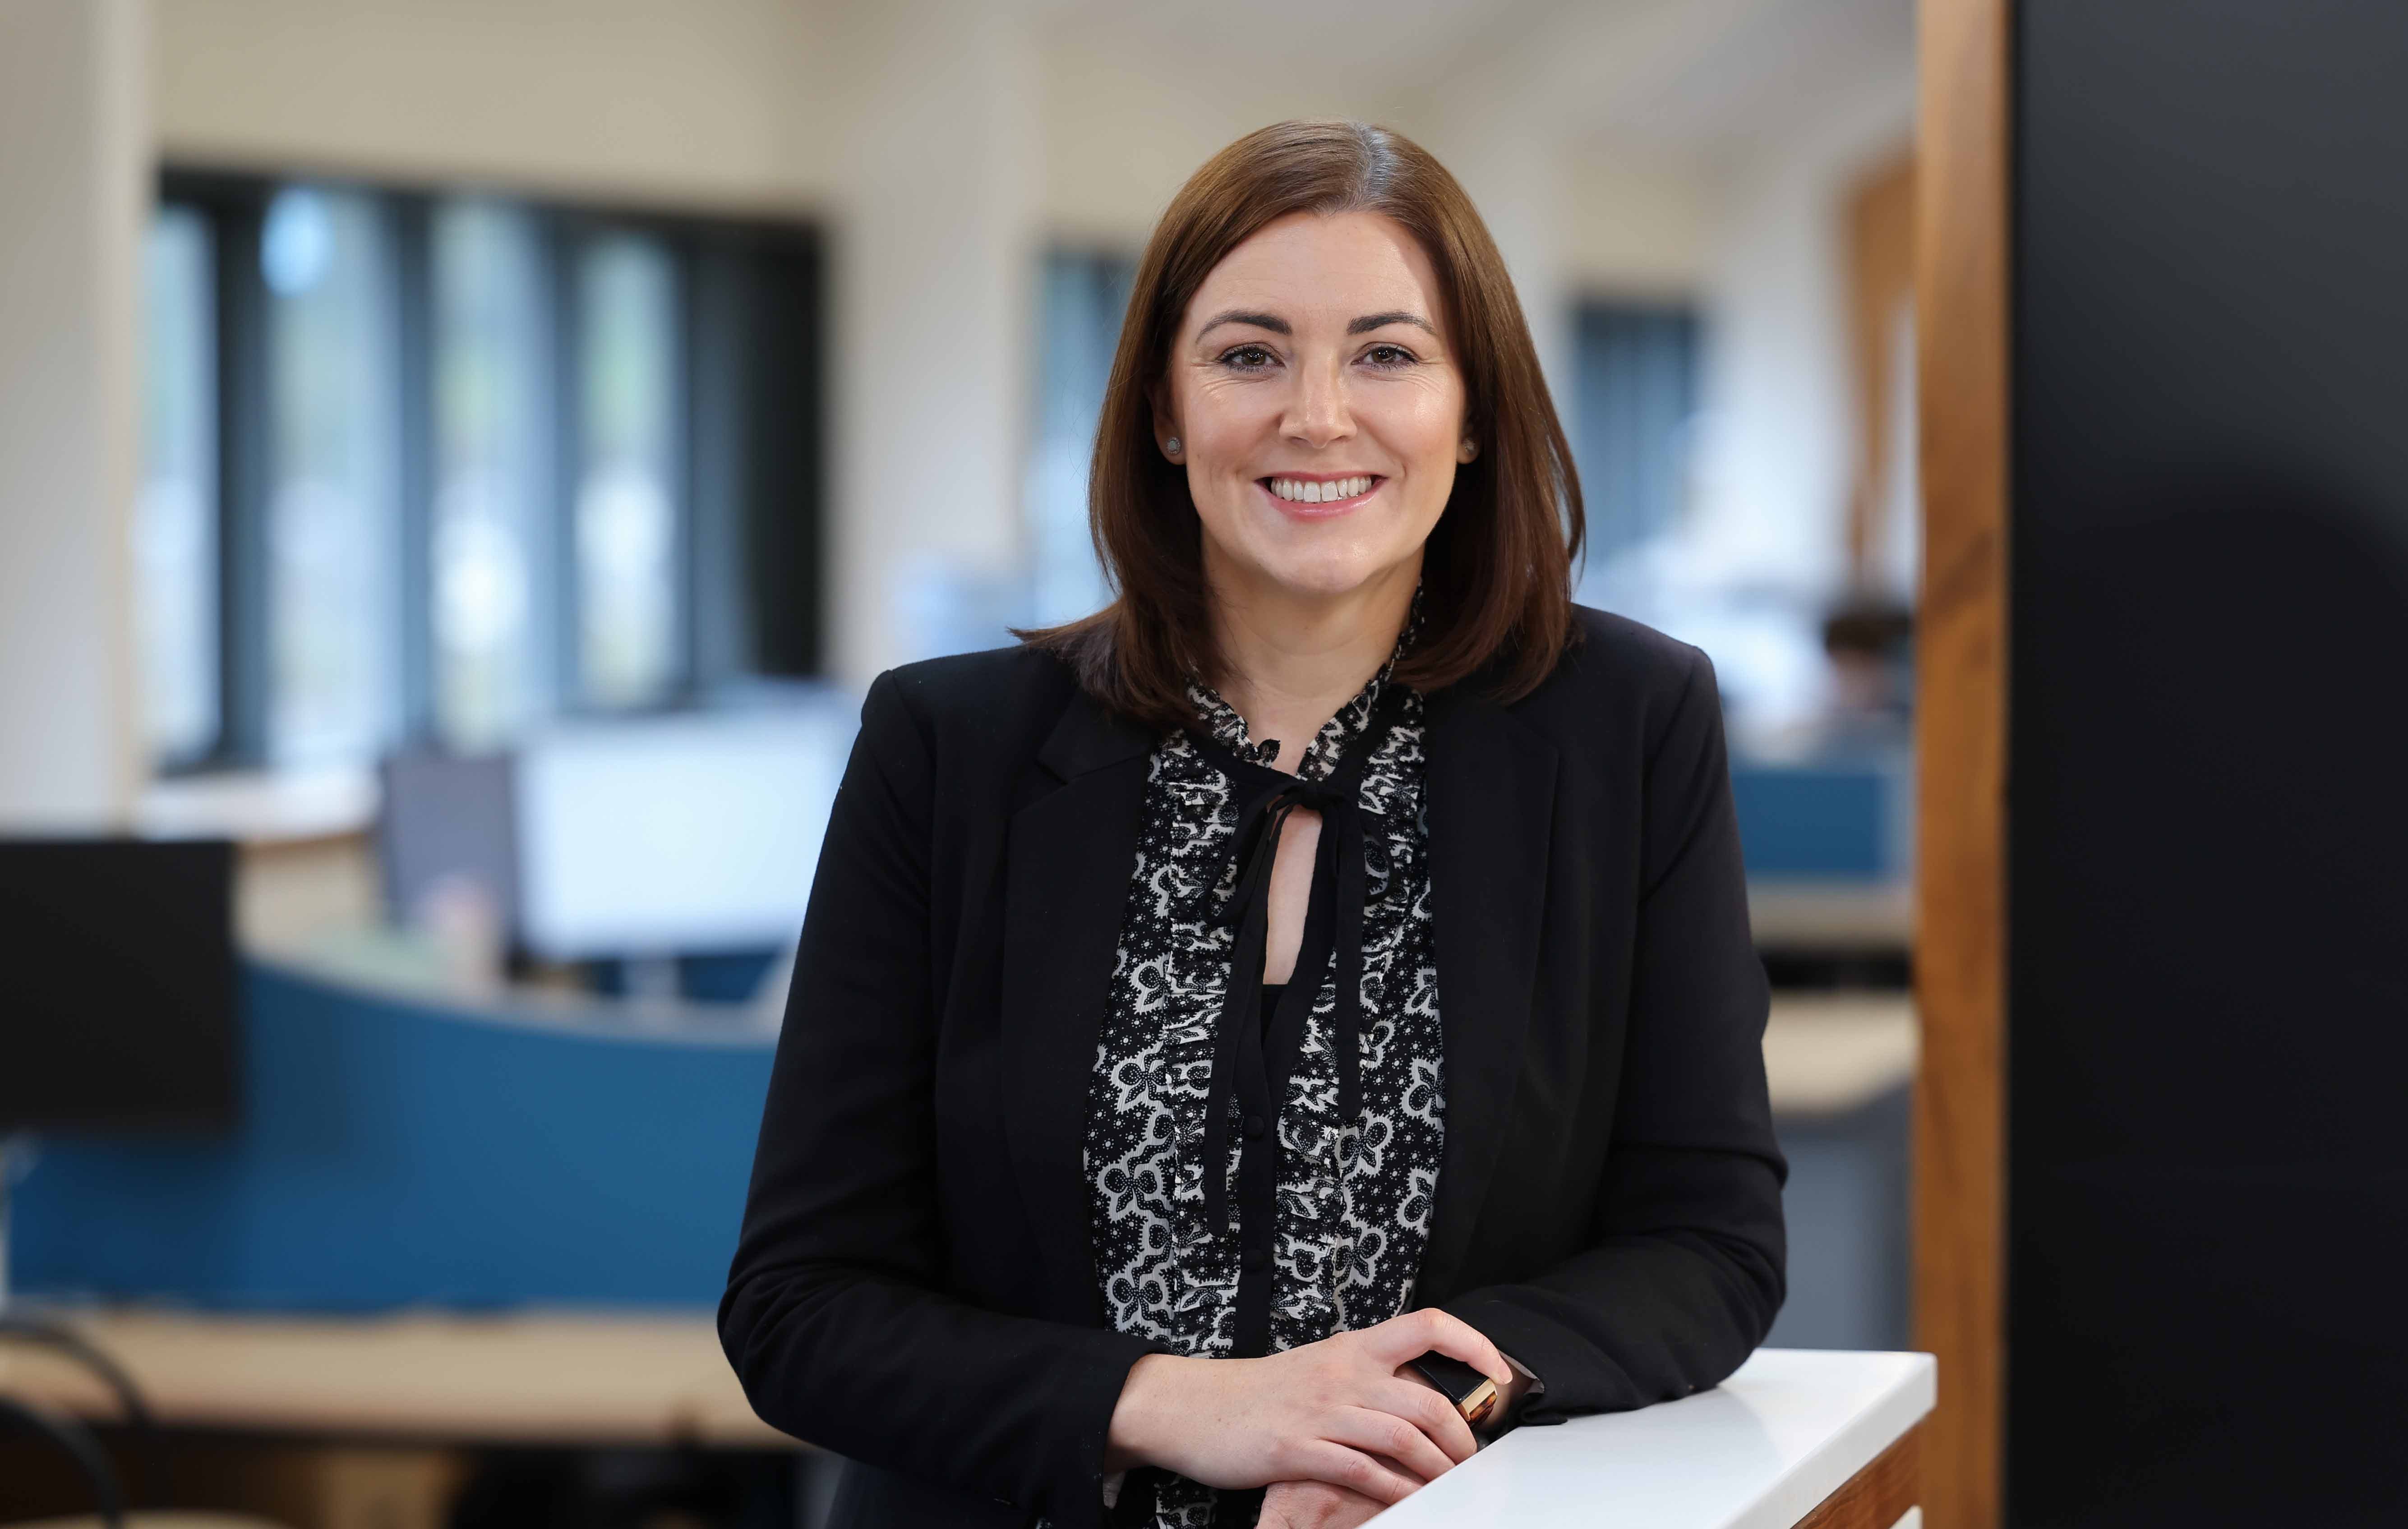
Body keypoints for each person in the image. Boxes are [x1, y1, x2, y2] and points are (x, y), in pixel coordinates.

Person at [720, 119, 1784, 1529]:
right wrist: (1184, 1408)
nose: (1317, 416)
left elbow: (1706, 1244)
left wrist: (1398, 1428)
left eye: (1387, 354)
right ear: (1165, 413)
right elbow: (802, 1304)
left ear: (1472, 415)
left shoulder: (1624, 725)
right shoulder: (951, 747)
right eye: (1247, 355)